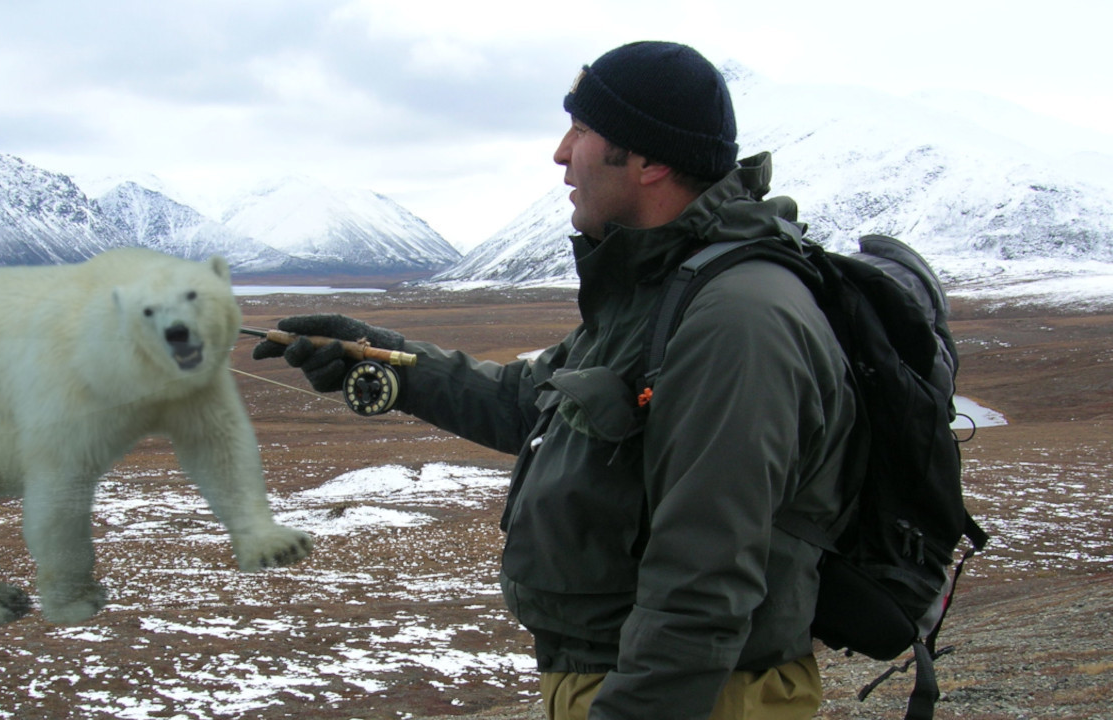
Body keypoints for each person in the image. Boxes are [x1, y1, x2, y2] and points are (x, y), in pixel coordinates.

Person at [253, 41, 856, 720]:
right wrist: (378, 356)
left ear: (652, 160)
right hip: (636, 682)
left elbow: (703, 585)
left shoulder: (735, 320)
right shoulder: (657, 289)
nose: (561, 153)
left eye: (584, 130)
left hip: (700, 697)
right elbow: (527, 404)